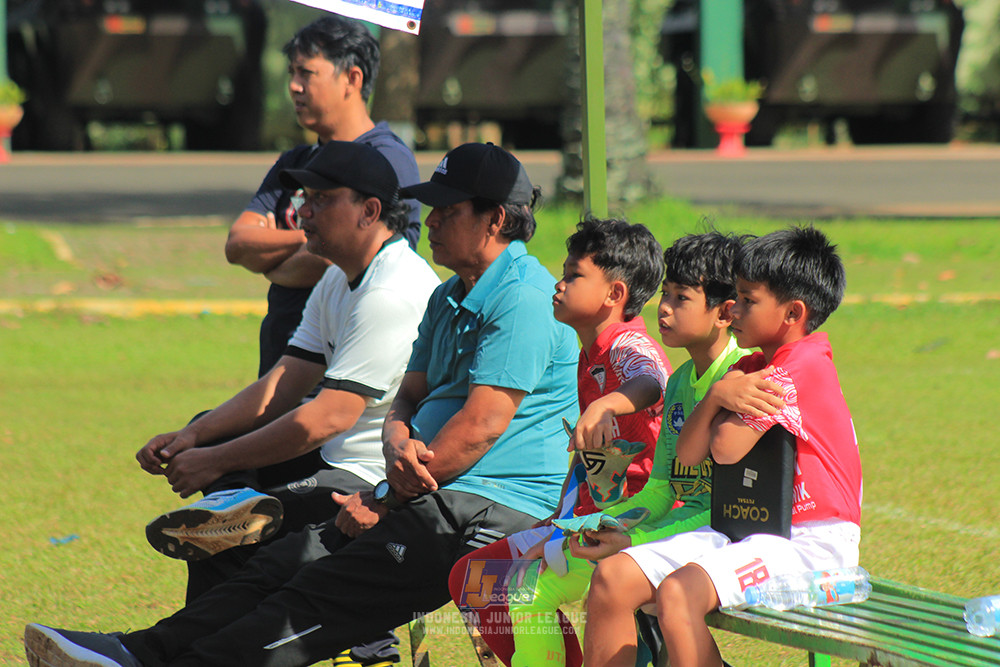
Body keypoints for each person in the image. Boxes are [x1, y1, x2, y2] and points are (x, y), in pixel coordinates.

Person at [24, 142, 580, 667]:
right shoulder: (448, 293)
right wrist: (395, 440)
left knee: (315, 591)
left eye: (447, 210)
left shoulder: (521, 299)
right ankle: (138, 652)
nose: (430, 222)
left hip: (491, 505)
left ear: (496, 220)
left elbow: (479, 428)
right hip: (425, 486)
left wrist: (384, 496)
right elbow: (408, 394)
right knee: (281, 563)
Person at [126, 139, 436, 667]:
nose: (303, 212)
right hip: (336, 456)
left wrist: (217, 458)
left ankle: (344, 637)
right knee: (218, 510)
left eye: (320, 199)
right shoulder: (339, 274)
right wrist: (196, 436)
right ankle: (197, 646)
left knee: (235, 524)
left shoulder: (389, 292)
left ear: (370, 211)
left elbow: (329, 415)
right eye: (303, 198)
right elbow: (287, 379)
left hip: (370, 475)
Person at [581, 226, 862, 667]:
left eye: (749, 301)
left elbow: (725, 449)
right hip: (753, 529)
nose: (737, 311)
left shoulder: (798, 367)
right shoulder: (752, 365)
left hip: (812, 544)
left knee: (677, 593)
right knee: (613, 577)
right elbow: (689, 457)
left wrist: (720, 404)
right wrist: (715, 397)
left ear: (792, 313)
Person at [447, 217, 672, 667]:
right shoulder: (589, 352)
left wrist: (607, 404)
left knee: (523, 587)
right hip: (585, 519)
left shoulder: (627, 345)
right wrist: (560, 516)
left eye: (574, 275)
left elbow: (654, 379)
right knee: (474, 574)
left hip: (632, 526)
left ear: (615, 294)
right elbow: (589, 458)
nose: (558, 284)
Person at [224, 15, 421, 381]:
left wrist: (273, 261)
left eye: (307, 73)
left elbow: (375, 263)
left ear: (352, 78)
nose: (294, 86)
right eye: (291, 73)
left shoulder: (386, 161)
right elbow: (237, 245)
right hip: (278, 374)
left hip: (338, 380)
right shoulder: (296, 162)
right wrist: (315, 239)